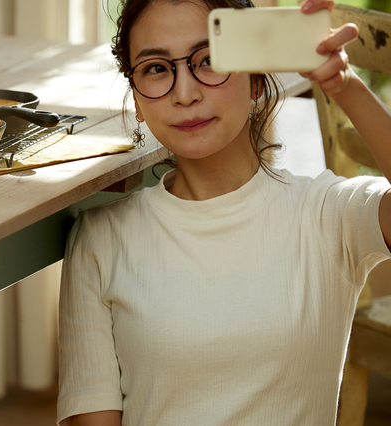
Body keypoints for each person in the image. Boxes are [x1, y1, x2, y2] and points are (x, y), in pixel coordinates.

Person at [56, 0, 391, 424]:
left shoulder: (327, 215)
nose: (185, 92)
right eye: (157, 68)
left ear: (255, 80)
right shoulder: (100, 238)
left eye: (210, 60)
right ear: (137, 101)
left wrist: (345, 87)